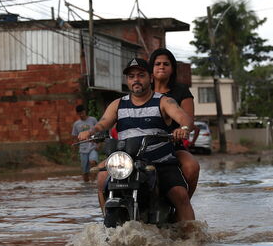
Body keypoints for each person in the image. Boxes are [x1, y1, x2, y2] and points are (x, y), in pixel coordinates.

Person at [78, 57, 196, 222]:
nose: (136, 80)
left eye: (141, 75)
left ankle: (191, 239)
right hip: (127, 162)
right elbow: (103, 123)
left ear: (150, 78)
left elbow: (185, 118)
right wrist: (91, 131)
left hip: (159, 162)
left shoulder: (163, 101)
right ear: (127, 80)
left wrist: (182, 129)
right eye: (131, 76)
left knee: (180, 194)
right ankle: (108, 219)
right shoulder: (118, 104)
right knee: (101, 178)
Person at [149, 47, 201, 197]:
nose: (161, 67)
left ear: (172, 69)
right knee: (106, 171)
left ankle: (183, 204)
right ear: (151, 69)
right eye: (157, 64)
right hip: (143, 147)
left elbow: (189, 121)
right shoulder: (143, 91)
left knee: (192, 167)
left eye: (166, 64)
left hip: (173, 146)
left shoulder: (181, 91)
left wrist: (182, 130)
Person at [71, 104, 98, 182]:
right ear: (77, 114)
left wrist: (99, 144)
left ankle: (93, 182)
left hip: (93, 147)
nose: (81, 115)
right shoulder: (76, 124)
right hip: (83, 149)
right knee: (85, 171)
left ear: (85, 111)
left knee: (93, 162)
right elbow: (75, 139)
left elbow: (99, 131)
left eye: (82, 112)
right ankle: (86, 186)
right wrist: (74, 153)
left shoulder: (93, 120)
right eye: (79, 113)